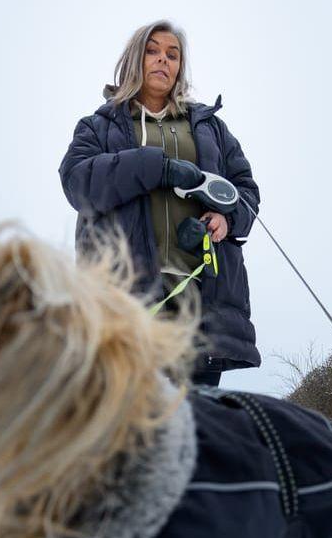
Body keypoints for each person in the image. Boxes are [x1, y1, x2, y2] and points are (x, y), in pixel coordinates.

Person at [59, 20, 260, 386]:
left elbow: (246, 192)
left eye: (172, 54)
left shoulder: (212, 128)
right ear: (136, 58)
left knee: (197, 429)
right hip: (127, 302)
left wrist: (227, 219)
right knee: (130, 429)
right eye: (152, 51)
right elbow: (77, 182)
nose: (162, 61)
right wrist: (157, 167)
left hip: (200, 303)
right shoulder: (99, 126)